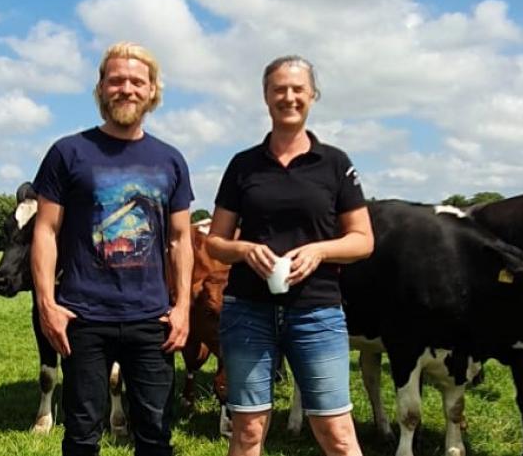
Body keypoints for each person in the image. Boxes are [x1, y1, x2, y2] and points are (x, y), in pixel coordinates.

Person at [31, 41, 194, 456]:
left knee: (155, 434)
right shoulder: (68, 152)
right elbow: (46, 231)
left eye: (137, 81)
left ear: (153, 91)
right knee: (82, 434)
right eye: (116, 80)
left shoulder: (170, 160)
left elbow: (180, 239)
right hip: (83, 317)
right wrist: (47, 304)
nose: (126, 88)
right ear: (101, 88)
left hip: (151, 319)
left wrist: (182, 310)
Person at [206, 55, 373, 456]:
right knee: (247, 429)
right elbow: (214, 243)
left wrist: (320, 250)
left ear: (313, 95)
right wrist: (245, 250)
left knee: (336, 431)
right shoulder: (243, 165)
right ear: (266, 97)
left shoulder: (335, 163)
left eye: (298, 89)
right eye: (279, 89)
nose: (289, 97)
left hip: (316, 311)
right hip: (248, 309)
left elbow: (363, 240)